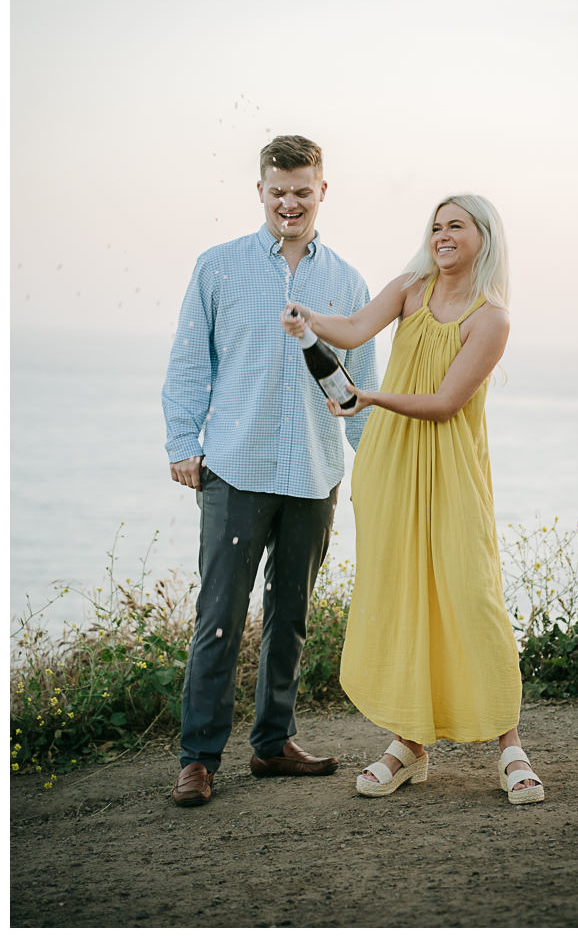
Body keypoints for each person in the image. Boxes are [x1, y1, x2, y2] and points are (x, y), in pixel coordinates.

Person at [282, 194, 544, 804]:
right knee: (402, 595)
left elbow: (446, 403)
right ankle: (408, 745)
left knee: (470, 595)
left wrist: (368, 398)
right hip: (390, 464)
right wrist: (311, 320)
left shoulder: (491, 317)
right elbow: (352, 329)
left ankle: (510, 747)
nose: (441, 234)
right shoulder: (410, 287)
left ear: (485, 236)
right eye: (435, 225)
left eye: (455, 225)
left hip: (450, 468)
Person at [162, 135, 377, 806]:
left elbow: (360, 379)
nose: (290, 202)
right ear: (261, 191)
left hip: (315, 474)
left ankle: (273, 742)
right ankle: (198, 757)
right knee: (219, 616)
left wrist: (378, 461)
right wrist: (181, 443)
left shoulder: (345, 281)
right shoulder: (218, 267)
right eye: (278, 191)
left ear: (321, 192)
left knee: (291, 615)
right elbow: (190, 362)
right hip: (235, 469)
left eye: (302, 191)